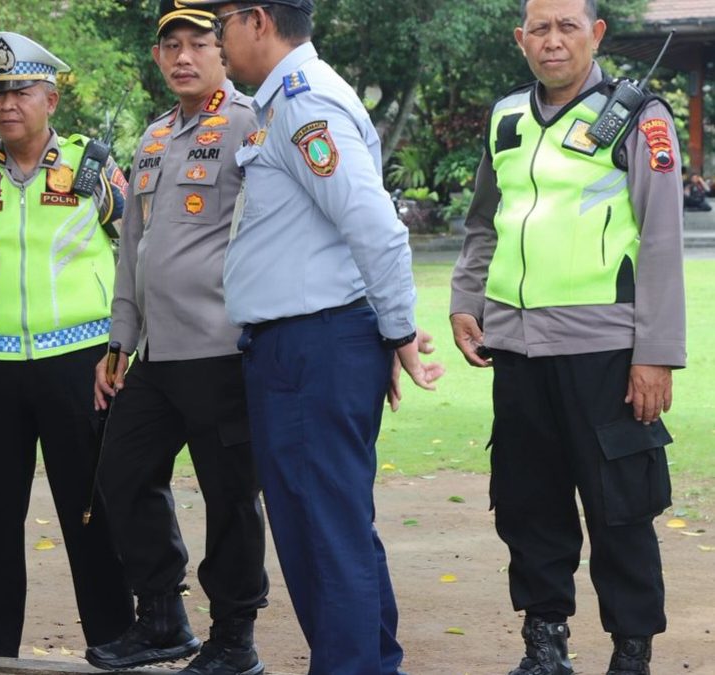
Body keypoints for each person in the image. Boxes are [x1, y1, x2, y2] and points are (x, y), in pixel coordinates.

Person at [181, 2, 442, 674]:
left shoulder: (305, 103)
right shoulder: (283, 104)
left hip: (314, 345)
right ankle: (367, 661)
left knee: (324, 534)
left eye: (222, 26)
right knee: (329, 529)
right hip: (307, 343)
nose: (216, 40)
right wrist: (383, 333)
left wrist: (398, 330)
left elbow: (375, 226)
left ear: (259, 21)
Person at [449, 1, 685, 673]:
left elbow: (663, 240)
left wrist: (657, 355)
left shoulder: (640, 117)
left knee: (619, 509)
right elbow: (483, 222)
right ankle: (545, 643)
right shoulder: (505, 118)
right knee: (529, 502)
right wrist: (467, 299)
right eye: (540, 29)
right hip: (517, 349)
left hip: (606, 350)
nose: (553, 42)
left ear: (596, 35)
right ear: (521, 38)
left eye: (567, 27)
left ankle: (631, 650)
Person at [84, 2, 267, 674]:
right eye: (172, 47)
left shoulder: (252, 123)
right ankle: (162, 616)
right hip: (156, 354)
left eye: (199, 44)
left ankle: (235, 637)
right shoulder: (155, 136)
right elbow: (134, 244)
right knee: (122, 472)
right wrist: (118, 340)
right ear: (158, 58)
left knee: (230, 497)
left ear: (223, 52)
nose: (184, 57)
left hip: (223, 351)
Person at [0, 31, 134, 658]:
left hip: (82, 366)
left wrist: (127, 345)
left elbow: (139, 253)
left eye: (21, 90)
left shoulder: (92, 166)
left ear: (50, 98)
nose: (6, 104)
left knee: (92, 513)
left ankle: (113, 645)